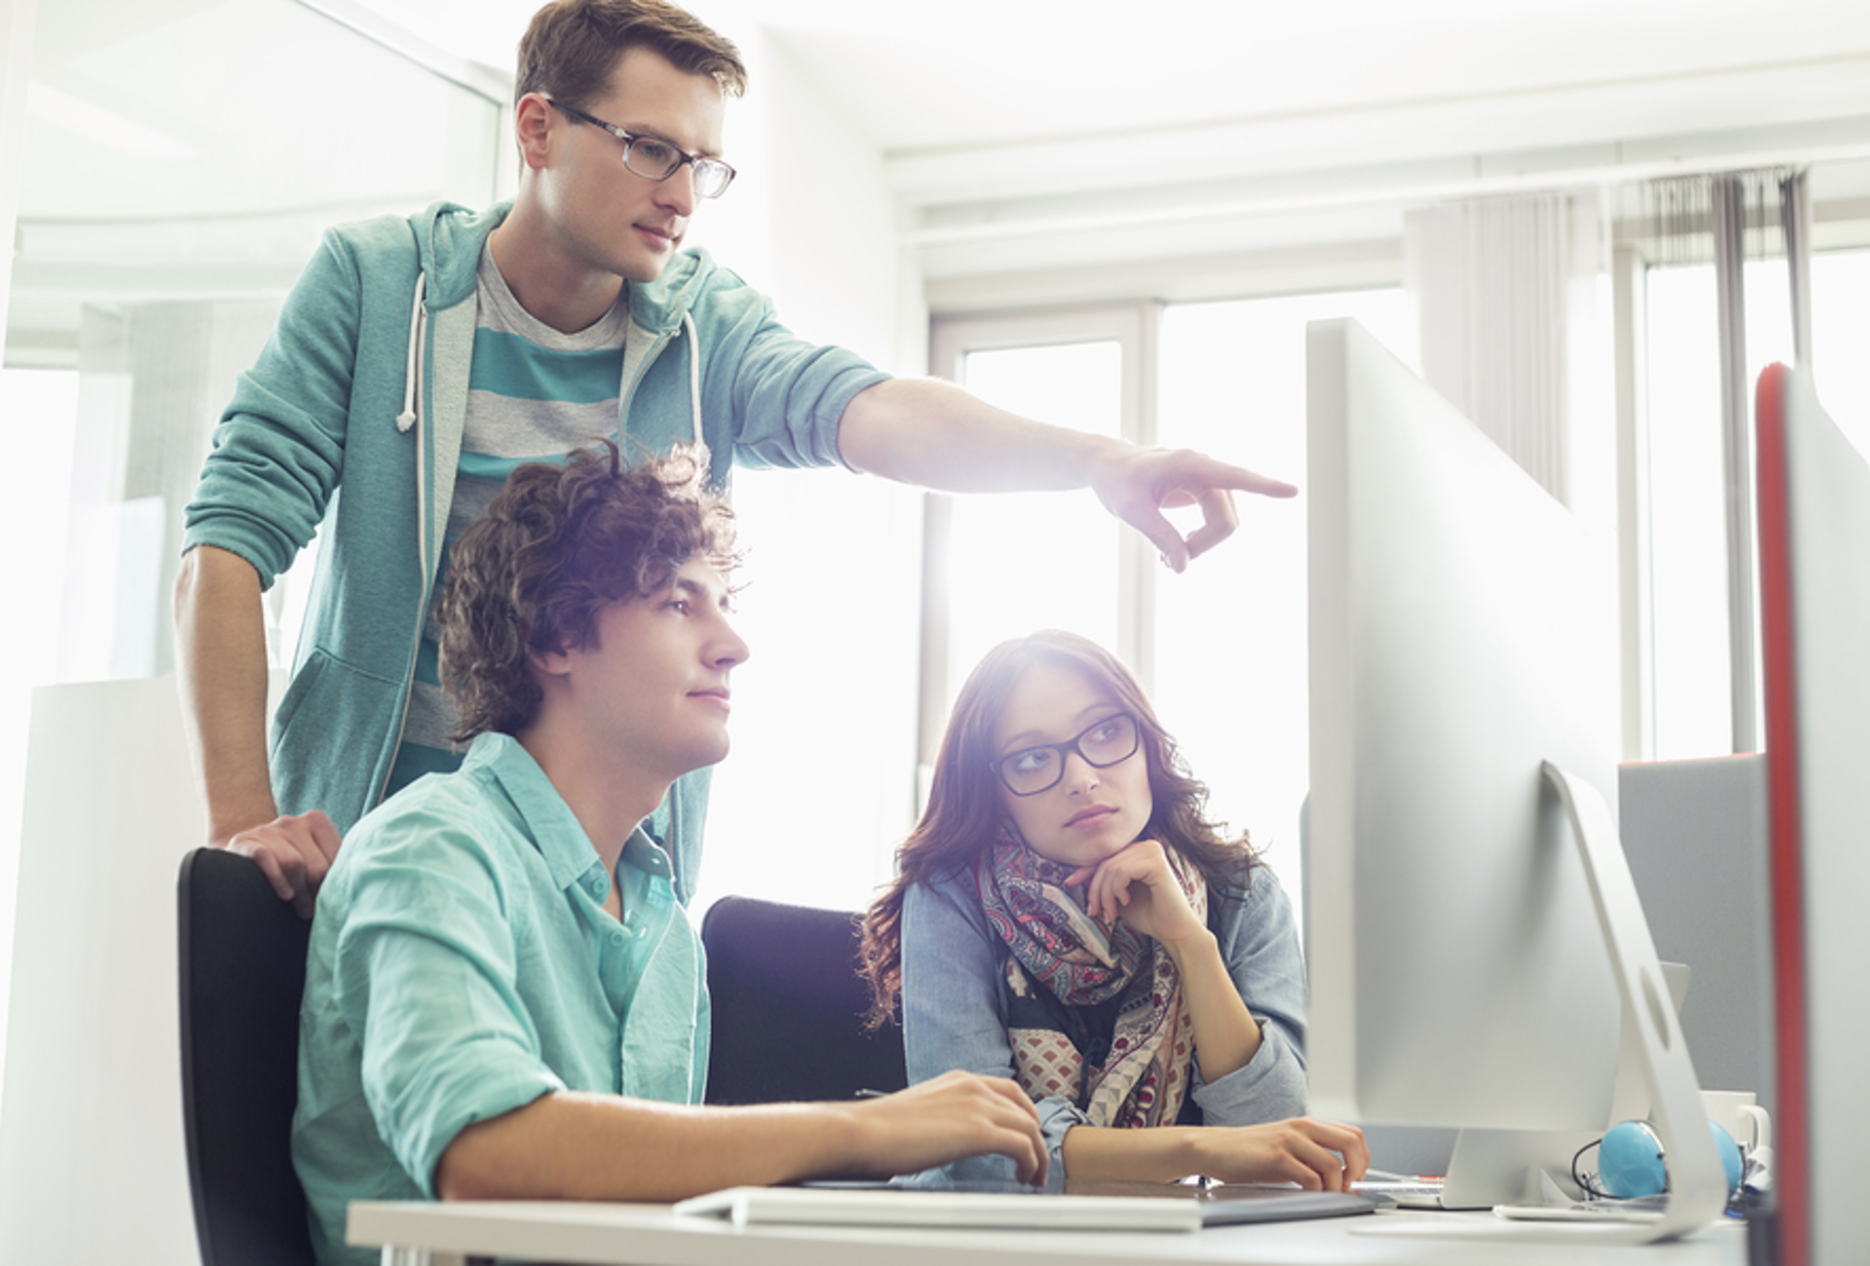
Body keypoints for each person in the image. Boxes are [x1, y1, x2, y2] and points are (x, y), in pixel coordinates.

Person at [173, 0, 1296, 917]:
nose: (678, 193)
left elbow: (874, 410)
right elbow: (226, 545)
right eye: (650, 147)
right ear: (536, 130)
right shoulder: (378, 288)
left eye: (703, 166)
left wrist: (1097, 462)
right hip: (370, 843)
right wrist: (242, 822)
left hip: (593, 870)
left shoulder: (704, 325)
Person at [292, 444, 1048, 1266]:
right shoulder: (430, 850)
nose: (733, 645)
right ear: (556, 638)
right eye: (680, 605)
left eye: (721, 604)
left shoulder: (665, 928)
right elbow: (485, 1156)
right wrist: (867, 1129)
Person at [859, 629, 1367, 1190]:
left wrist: (1194, 947)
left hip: (1182, 1244)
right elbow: (972, 1149)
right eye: (1031, 759)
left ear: (1146, 740)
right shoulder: (951, 896)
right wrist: (1199, 1150)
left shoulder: (1241, 892)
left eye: (1104, 732)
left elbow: (1275, 1141)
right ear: (994, 789)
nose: (1082, 778)